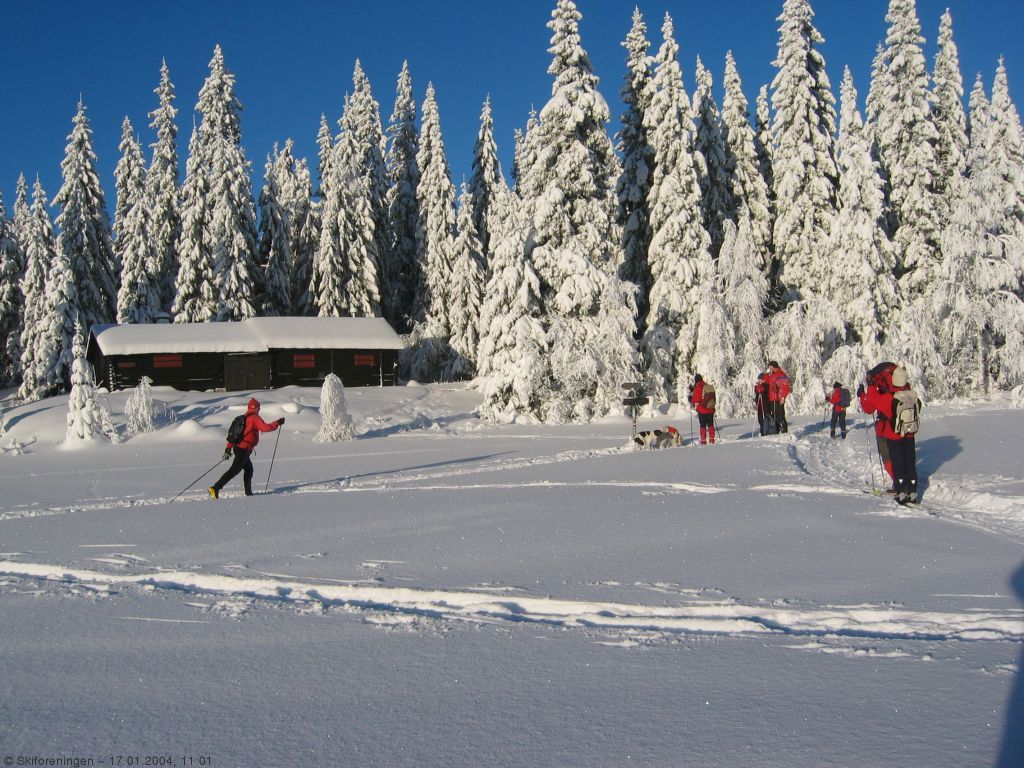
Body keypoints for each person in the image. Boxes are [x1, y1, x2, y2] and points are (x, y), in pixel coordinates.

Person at [859, 365, 919, 504]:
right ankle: (913, 491)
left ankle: (901, 491)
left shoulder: (889, 397)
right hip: (909, 433)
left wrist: (866, 391)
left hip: (893, 434)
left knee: (897, 462)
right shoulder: (911, 394)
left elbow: (870, 406)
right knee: (909, 462)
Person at [209, 398, 284, 499]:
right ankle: (215, 488)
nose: (259, 409)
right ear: (257, 408)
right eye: (259, 408)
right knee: (234, 471)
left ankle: (248, 493)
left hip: (239, 448)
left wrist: (228, 448)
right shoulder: (254, 418)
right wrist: (277, 423)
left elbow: (235, 435)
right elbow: (265, 428)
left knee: (249, 469)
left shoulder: (243, 417)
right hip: (243, 449)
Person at [858, 362, 897, 491]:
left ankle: (898, 483)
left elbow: (869, 408)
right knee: (901, 455)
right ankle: (905, 483)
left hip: (885, 428)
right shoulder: (896, 386)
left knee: (887, 456)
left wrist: (862, 395)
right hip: (902, 426)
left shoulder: (877, 387)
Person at [688, 373, 716, 445]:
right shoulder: (707, 386)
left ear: (696, 380)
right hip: (710, 408)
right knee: (710, 424)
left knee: (703, 424)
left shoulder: (698, 387)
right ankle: (712, 440)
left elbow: (695, 400)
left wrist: (690, 398)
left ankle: (703, 441)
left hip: (702, 409)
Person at [765, 361, 790, 434]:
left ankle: (784, 431)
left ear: (774, 366)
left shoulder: (781, 374)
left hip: (779, 398)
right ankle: (777, 430)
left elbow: (785, 387)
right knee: (775, 415)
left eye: (770, 367)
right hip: (773, 398)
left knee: (780, 415)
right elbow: (767, 381)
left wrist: (782, 397)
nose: (769, 368)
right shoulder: (772, 375)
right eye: (769, 367)